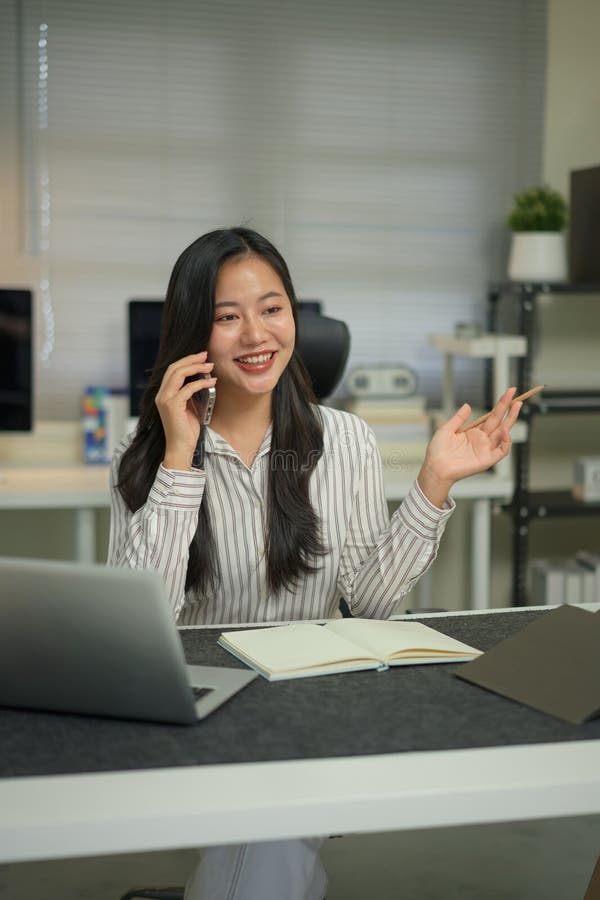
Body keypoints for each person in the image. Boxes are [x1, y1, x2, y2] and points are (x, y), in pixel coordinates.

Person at [108, 226, 521, 900]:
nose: (255, 334)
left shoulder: (347, 440)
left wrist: (433, 483)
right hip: (202, 717)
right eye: (225, 316)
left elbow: (371, 607)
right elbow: (141, 623)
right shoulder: (143, 450)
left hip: (312, 711)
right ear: (193, 333)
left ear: (294, 316)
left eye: (272, 308)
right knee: (272, 837)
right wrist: (180, 455)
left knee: (270, 831)